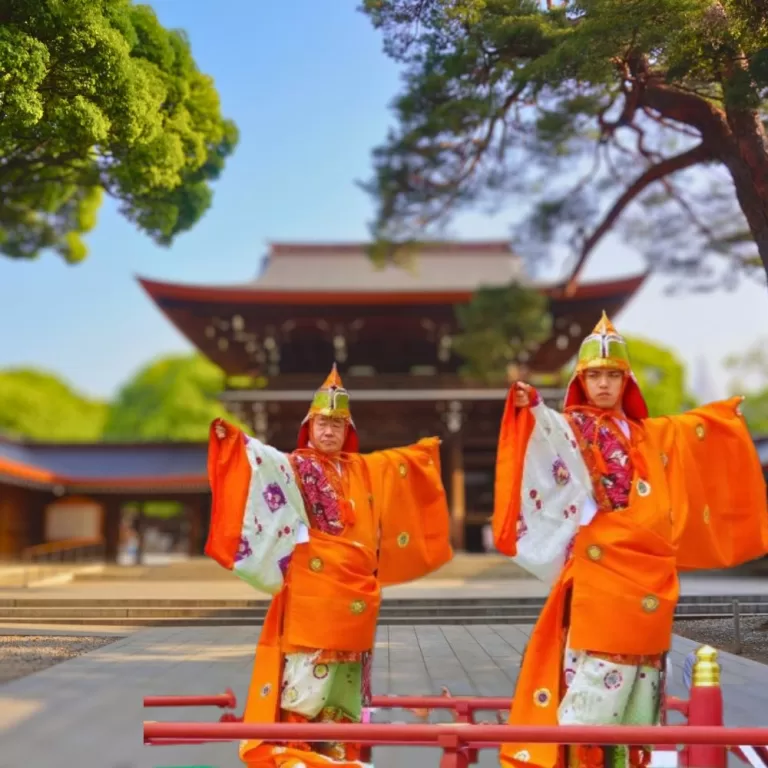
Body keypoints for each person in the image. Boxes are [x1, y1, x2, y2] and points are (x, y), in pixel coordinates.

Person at [492, 312, 768, 768]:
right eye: (595, 375)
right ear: (582, 381)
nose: (603, 384)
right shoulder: (573, 427)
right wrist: (533, 406)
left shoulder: (646, 433)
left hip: (651, 579)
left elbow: (689, 432)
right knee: (593, 691)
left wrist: (722, 419)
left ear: (627, 381)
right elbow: (547, 433)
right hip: (602, 574)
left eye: (612, 376)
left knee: (645, 690)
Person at [206, 364, 453, 768]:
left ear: (348, 430)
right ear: (308, 426)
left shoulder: (360, 468)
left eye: (338, 424)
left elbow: (394, 466)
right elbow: (259, 459)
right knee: (306, 677)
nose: (329, 431)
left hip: (354, 589)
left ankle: (336, 752)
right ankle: (296, 751)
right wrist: (233, 439)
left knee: (344, 684)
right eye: (322, 422)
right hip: (314, 584)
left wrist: (422, 453)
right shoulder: (295, 465)